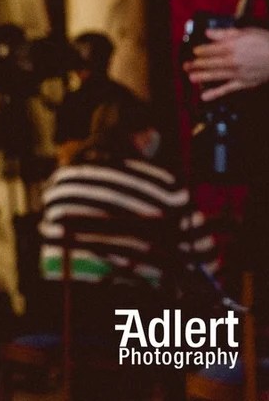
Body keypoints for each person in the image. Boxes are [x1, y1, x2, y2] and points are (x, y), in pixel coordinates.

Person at [39, 92, 219, 323]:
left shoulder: (60, 181)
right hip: (135, 323)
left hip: (62, 321)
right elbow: (205, 266)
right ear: (140, 136)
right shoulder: (163, 185)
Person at [53, 32, 132, 165]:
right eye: (79, 67)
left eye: (86, 67)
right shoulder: (71, 102)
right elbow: (63, 150)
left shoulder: (123, 99)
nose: (82, 72)